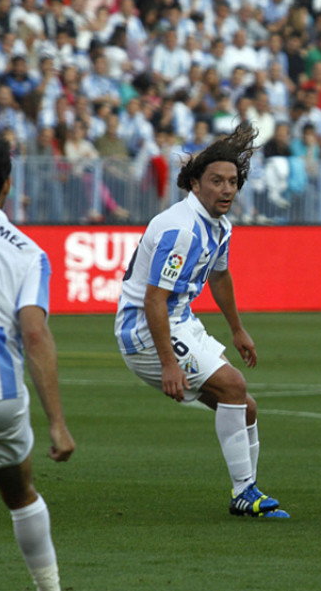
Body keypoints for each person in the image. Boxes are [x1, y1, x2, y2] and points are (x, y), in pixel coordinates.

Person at [114, 123, 288, 518]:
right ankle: (244, 492)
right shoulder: (182, 229)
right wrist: (168, 363)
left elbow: (220, 275)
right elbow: (154, 299)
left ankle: (248, 493)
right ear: (195, 183)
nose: (226, 189)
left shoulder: (220, 226)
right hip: (143, 329)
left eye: (232, 181)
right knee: (233, 385)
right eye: (216, 181)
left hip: (179, 320)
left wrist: (238, 328)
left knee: (246, 407)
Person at [0, 134, 76, 591]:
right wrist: (57, 423)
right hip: (0, 396)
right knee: (20, 496)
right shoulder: (26, 250)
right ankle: (49, 588)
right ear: (8, 185)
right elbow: (35, 333)